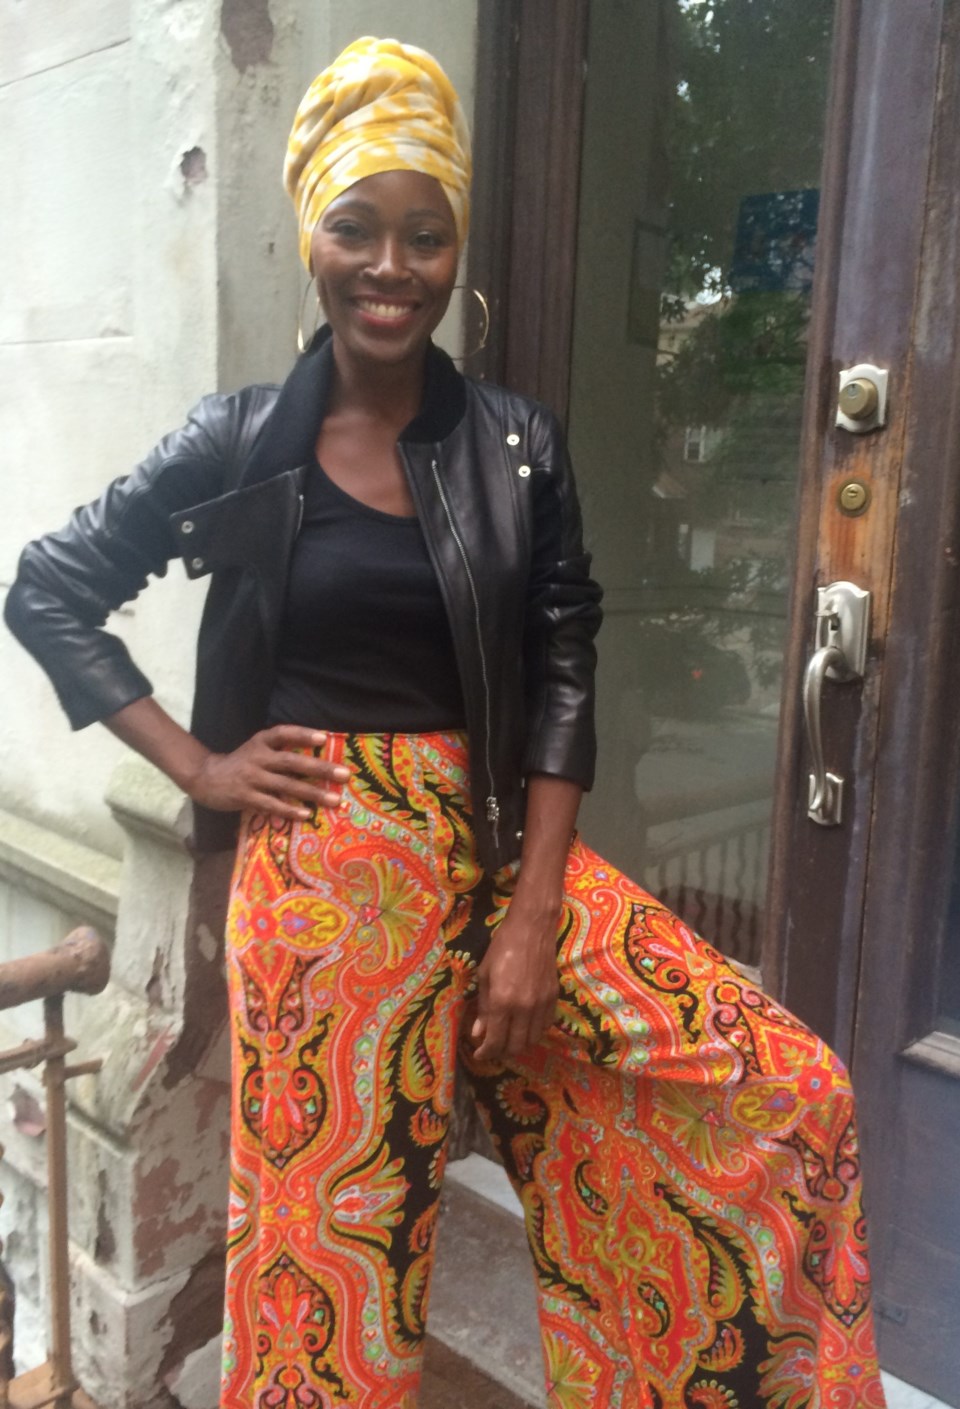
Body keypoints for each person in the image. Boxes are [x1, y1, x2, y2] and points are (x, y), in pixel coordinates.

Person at [5, 36, 886, 1409]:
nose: (391, 266)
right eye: (358, 228)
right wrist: (201, 763)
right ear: (315, 234)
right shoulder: (240, 440)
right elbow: (49, 588)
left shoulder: (518, 447)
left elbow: (565, 659)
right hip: (317, 889)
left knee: (784, 1086)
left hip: (486, 854)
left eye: (425, 234)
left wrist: (534, 913)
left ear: (454, 244)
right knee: (333, 1287)